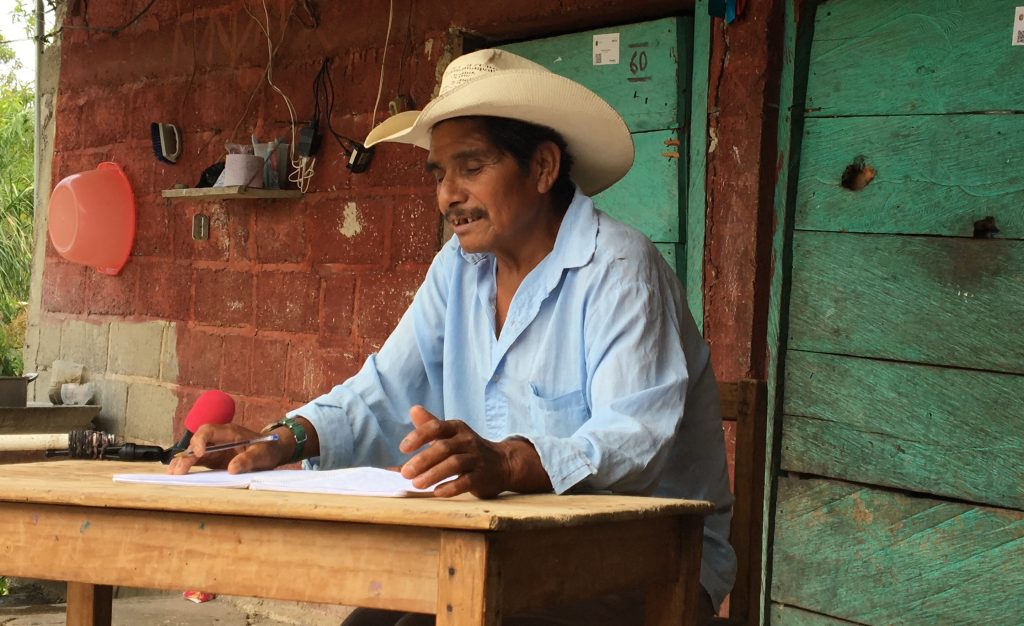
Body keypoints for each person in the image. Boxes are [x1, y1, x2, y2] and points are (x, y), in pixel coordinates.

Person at [170, 48, 735, 625]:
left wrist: (509, 463)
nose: (447, 197)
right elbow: (385, 388)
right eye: (440, 174)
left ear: (543, 167)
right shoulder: (460, 269)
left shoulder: (618, 268)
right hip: (500, 551)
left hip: (646, 563)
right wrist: (283, 439)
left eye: (471, 167)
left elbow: (632, 439)